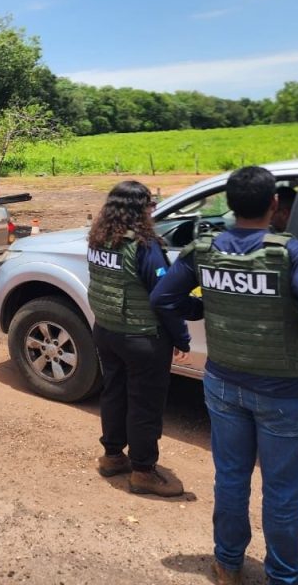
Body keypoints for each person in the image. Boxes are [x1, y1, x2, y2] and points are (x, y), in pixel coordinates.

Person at [150, 166, 298, 585]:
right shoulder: (294, 253)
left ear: (230, 205)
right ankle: (284, 576)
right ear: (275, 205)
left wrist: (200, 309)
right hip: (285, 394)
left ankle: (227, 563)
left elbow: (164, 296)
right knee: (283, 493)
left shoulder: (204, 249)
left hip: (223, 385)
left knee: (232, 478)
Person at [86, 180, 194, 497]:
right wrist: (182, 339)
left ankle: (112, 456)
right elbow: (165, 299)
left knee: (114, 394)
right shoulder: (144, 247)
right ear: (140, 210)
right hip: (141, 338)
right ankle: (143, 471)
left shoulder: (98, 239)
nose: (154, 210)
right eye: (151, 205)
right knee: (144, 405)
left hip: (106, 331)